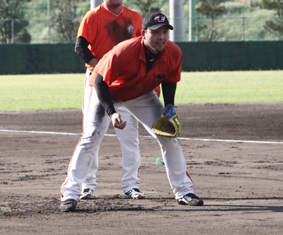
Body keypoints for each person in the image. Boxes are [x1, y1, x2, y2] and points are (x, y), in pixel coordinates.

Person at [61, 12, 203, 212]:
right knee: (92, 136)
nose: (161, 37)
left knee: (168, 136)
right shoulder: (124, 51)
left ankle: (184, 191)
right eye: (156, 32)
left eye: (165, 32)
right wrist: (112, 112)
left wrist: (169, 107)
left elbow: (170, 80)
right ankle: (70, 194)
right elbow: (100, 83)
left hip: (141, 93)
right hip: (108, 91)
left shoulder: (174, 52)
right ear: (144, 33)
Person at [73, 0, 146, 200]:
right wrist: (99, 70)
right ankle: (88, 184)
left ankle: (131, 185)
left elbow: (142, 47)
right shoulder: (93, 16)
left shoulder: (134, 16)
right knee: (92, 134)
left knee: (130, 136)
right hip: (98, 81)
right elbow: (81, 48)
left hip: (125, 84)